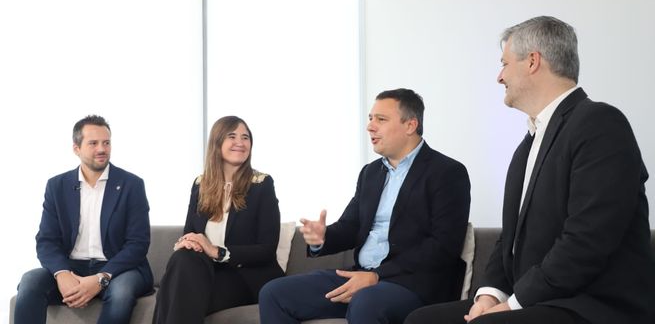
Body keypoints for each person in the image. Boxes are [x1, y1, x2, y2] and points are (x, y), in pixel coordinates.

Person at [405, 16, 655, 324]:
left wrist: (515, 304)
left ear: (533, 61)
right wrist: (489, 295)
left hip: (592, 305)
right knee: (422, 320)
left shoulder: (601, 124)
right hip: (541, 300)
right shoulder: (527, 145)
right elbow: (507, 239)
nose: (499, 76)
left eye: (505, 63)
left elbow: (587, 241)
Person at [259, 88, 471, 324]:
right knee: (274, 293)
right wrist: (323, 237)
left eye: (381, 119)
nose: (370, 127)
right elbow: (351, 226)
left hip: (413, 284)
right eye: (370, 119)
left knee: (367, 301)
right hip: (361, 278)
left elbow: (443, 246)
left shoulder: (447, 172)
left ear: (410, 125)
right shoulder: (371, 173)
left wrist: (377, 276)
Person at [14, 115, 153, 324]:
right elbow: (47, 240)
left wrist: (101, 278)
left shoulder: (131, 185)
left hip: (118, 269)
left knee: (122, 293)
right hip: (72, 267)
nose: (102, 149)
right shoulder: (57, 186)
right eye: (93, 143)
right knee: (30, 282)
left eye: (106, 143)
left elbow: (138, 243)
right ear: (76, 148)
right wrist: (62, 274)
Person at [153, 116, 283, 324]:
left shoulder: (262, 184)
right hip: (205, 272)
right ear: (217, 142)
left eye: (245, 137)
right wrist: (187, 242)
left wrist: (216, 251)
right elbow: (189, 232)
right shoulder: (200, 185)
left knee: (177, 293)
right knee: (182, 258)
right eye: (232, 136)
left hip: (244, 277)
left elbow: (267, 248)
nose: (240, 142)